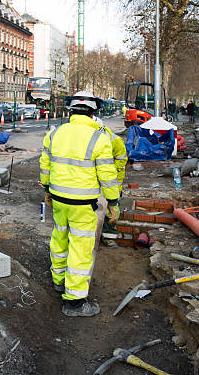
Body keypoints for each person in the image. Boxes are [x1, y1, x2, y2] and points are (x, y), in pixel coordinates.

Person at [40, 91, 120, 317]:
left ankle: (58, 281)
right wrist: (113, 201)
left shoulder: (54, 134)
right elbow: (107, 174)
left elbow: (45, 166)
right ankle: (74, 301)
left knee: (59, 237)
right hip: (83, 204)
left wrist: (46, 190)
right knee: (80, 248)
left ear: (70, 110)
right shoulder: (99, 138)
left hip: (58, 199)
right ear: (94, 112)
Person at [94, 117, 128, 248]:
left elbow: (121, 162)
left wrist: (106, 173)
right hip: (94, 180)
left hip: (112, 180)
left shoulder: (115, 141)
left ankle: (109, 236)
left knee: (112, 209)